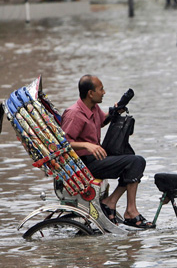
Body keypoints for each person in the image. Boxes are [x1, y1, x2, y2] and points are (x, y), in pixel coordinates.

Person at [61, 75, 154, 228]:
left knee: (132, 160)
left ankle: (110, 202)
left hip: (96, 158)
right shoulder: (74, 114)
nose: (104, 92)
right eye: (101, 89)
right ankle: (130, 211)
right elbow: (63, 144)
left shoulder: (93, 108)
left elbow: (101, 120)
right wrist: (87, 145)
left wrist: (115, 112)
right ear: (90, 93)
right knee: (136, 162)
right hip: (84, 164)